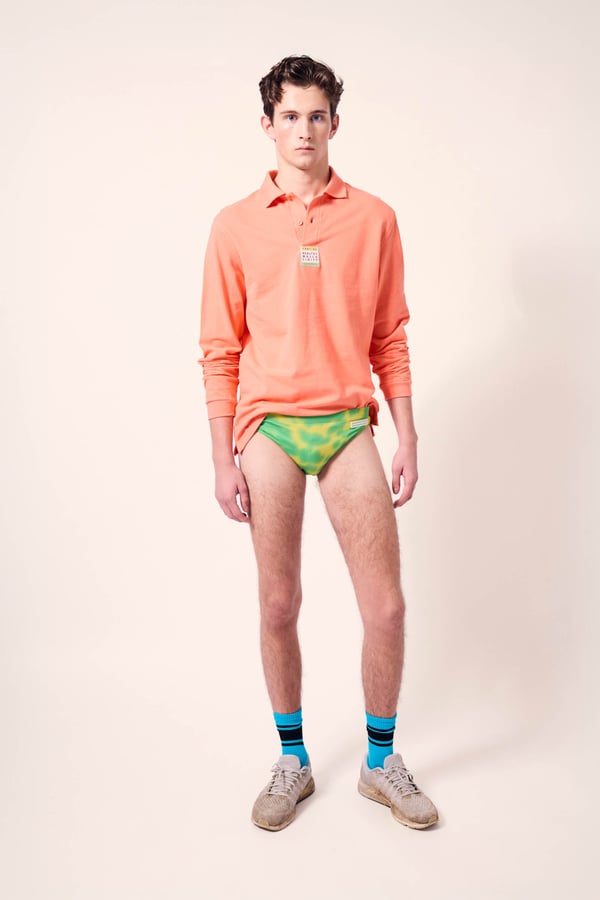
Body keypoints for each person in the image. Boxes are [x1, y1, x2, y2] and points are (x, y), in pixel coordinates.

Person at [199, 55, 438, 832]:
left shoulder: (374, 219)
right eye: (290, 116)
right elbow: (219, 350)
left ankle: (380, 762)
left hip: (344, 421)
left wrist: (406, 435)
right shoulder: (235, 225)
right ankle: (293, 758)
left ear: (335, 122)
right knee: (279, 602)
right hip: (268, 423)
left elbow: (390, 336)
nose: (304, 130)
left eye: (316, 115)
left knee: (387, 608)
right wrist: (221, 458)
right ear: (267, 125)